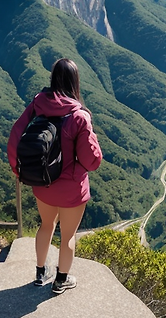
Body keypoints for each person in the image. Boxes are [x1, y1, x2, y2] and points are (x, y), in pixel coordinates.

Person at [7, 58, 103, 294]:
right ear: (75, 82)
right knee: (68, 235)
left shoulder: (38, 104)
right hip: (72, 189)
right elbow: (92, 161)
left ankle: (40, 273)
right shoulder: (79, 116)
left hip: (42, 183)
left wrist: (18, 169)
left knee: (46, 225)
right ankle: (61, 280)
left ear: (53, 79)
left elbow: (15, 135)